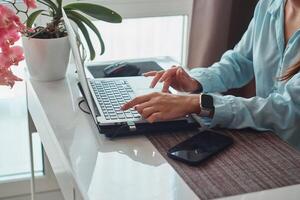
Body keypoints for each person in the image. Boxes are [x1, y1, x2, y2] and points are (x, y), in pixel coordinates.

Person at [122, 0, 300, 148]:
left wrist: (199, 103)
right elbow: (239, 61)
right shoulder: (268, 5)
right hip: (268, 141)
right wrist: (194, 82)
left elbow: (286, 110)